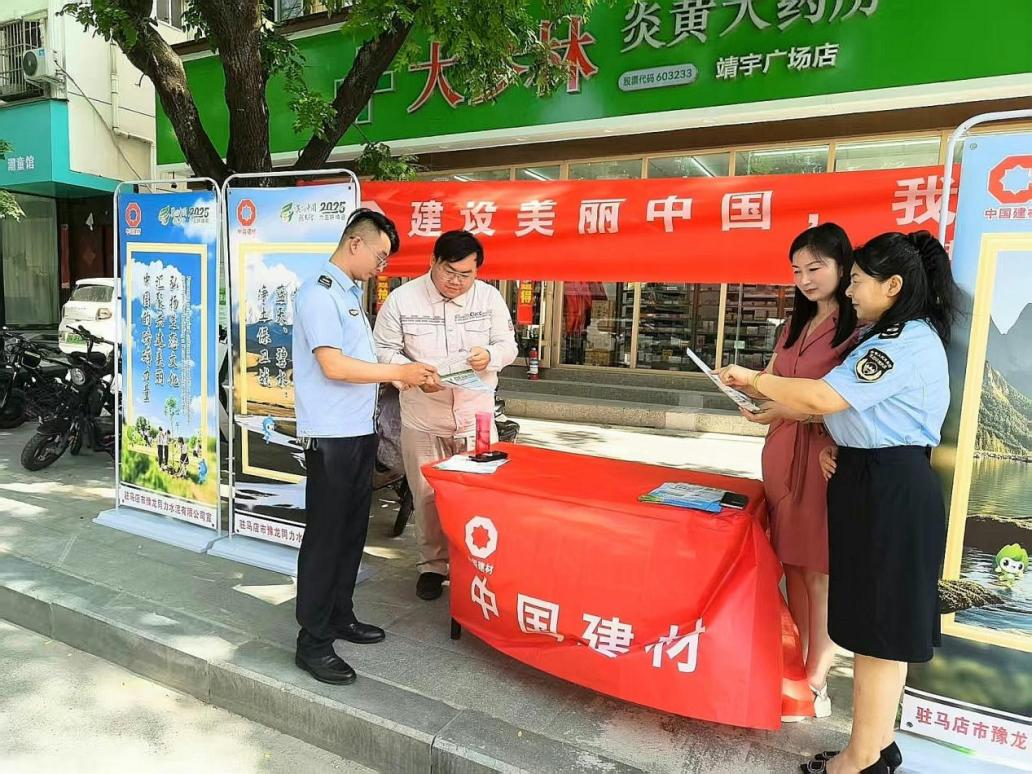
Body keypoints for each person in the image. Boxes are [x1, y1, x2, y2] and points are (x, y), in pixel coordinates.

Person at [721, 230, 955, 774]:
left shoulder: (902, 341)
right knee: (879, 627)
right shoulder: (890, 334)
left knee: (879, 634)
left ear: (892, 285)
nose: (849, 291)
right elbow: (852, 410)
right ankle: (878, 744)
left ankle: (860, 759)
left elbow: (824, 395)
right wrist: (843, 447)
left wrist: (755, 378)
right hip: (871, 476)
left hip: (889, 490)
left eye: (857, 280)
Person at [292, 208, 438, 686]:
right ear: (355, 243)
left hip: (357, 430)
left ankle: (339, 615)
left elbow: (363, 361)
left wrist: (405, 373)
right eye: (380, 255)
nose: (382, 265)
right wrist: (398, 372)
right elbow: (334, 366)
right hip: (331, 436)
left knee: (352, 532)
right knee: (326, 539)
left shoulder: (348, 295)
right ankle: (312, 642)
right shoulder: (319, 294)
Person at [739, 223, 857, 720]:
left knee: (820, 572)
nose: (805, 279)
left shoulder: (858, 329)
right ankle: (797, 666)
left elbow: (846, 402)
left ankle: (817, 679)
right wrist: (751, 393)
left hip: (825, 455)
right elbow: (773, 382)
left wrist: (788, 407)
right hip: (782, 454)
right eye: (797, 271)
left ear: (843, 267)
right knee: (791, 565)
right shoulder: (792, 325)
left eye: (815, 268)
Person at [373, 230, 518, 601]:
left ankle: (476, 565)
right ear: (433, 262)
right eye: (449, 272)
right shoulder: (402, 300)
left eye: (465, 274)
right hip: (423, 418)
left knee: (480, 495)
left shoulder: (489, 297)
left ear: (477, 271)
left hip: (476, 417)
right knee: (426, 496)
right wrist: (410, 373)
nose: (456, 281)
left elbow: (508, 345)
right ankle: (432, 566)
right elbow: (382, 350)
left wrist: (491, 355)